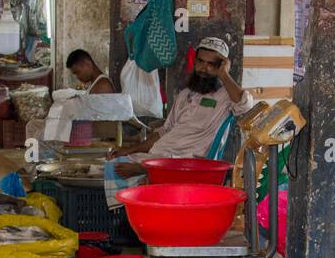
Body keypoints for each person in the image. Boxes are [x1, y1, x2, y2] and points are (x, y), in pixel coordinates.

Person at [104, 36, 255, 183]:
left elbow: (246, 105)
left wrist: (224, 74)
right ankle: (144, 173)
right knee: (109, 163)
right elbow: (165, 131)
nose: (205, 68)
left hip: (187, 163)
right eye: (201, 61)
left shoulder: (226, 97)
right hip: (161, 155)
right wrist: (130, 149)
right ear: (195, 61)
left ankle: (145, 172)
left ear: (222, 65)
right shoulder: (185, 94)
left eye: (212, 64)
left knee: (116, 172)